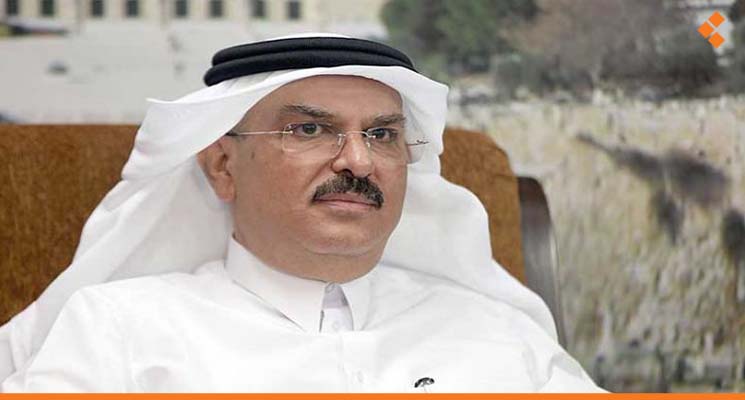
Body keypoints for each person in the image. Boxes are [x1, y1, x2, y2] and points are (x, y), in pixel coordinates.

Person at [0, 34, 604, 392]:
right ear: (223, 166)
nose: (358, 161)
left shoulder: (497, 330)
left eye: (383, 135)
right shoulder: (116, 330)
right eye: (310, 129)